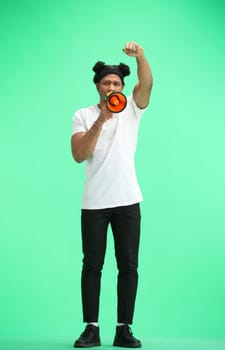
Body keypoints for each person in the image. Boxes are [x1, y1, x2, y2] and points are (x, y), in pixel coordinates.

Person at [71, 41, 153, 348]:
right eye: (106, 82)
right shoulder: (82, 114)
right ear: (97, 86)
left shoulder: (132, 109)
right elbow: (79, 154)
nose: (111, 86)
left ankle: (123, 329)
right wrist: (101, 119)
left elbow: (147, 83)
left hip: (128, 200)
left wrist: (141, 55)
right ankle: (91, 328)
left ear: (122, 87)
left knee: (128, 265)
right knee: (92, 265)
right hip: (94, 202)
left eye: (117, 83)